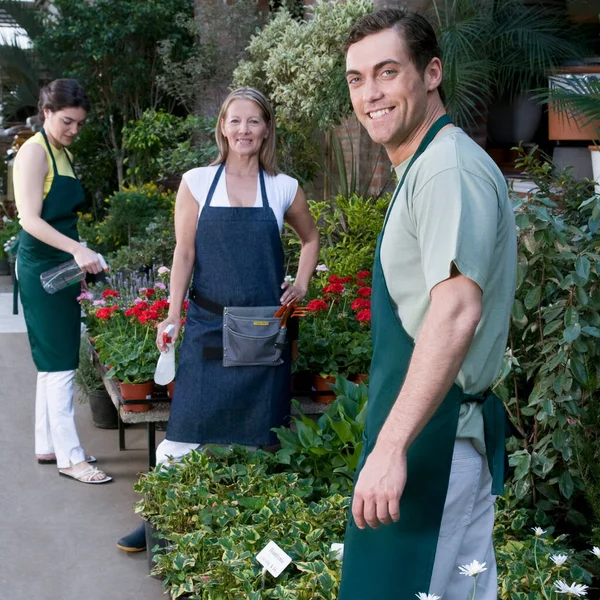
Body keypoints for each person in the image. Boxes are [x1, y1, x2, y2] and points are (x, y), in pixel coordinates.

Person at [339, 8, 516, 600]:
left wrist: (391, 448)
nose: (371, 94)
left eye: (387, 73)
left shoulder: (445, 169)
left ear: (432, 72)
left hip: (432, 444)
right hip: (430, 436)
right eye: (357, 79)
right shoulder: (425, 165)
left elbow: (456, 311)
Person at [117, 86, 319, 552]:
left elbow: (310, 240)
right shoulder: (196, 182)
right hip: (207, 325)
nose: (244, 130)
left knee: (257, 438)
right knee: (183, 433)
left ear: (266, 128)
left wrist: (302, 284)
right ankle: (157, 524)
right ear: (222, 128)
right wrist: (172, 315)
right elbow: (184, 252)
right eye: (235, 121)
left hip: (260, 330)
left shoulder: (284, 187)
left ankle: (242, 534)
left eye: (253, 121)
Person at [14, 79, 112, 484]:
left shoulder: (61, 152)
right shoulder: (34, 153)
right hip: (43, 267)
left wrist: (84, 248)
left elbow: (61, 218)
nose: (74, 130)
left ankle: (48, 445)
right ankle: (71, 459)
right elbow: (29, 219)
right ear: (47, 112)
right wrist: (76, 250)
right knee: (59, 363)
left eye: (80, 123)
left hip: (63, 262)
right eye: (68, 121)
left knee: (52, 361)